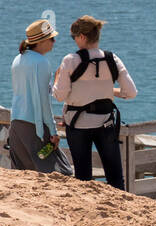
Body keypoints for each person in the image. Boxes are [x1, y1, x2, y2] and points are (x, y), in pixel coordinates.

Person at [52, 15, 137, 190]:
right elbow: (131, 93)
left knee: (83, 177)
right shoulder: (112, 59)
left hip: (77, 124)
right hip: (105, 122)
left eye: (73, 37)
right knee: (115, 176)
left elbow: (59, 95)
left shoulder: (70, 60)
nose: (74, 41)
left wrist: (57, 77)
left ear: (82, 36)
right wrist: (106, 91)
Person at [7, 19, 72, 174]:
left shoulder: (18, 59)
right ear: (41, 41)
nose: (54, 41)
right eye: (51, 38)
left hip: (16, 125)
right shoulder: (41, 62)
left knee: (23, 175)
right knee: (63, 172)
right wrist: (53, 131)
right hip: (35, 128)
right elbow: (43, 101)